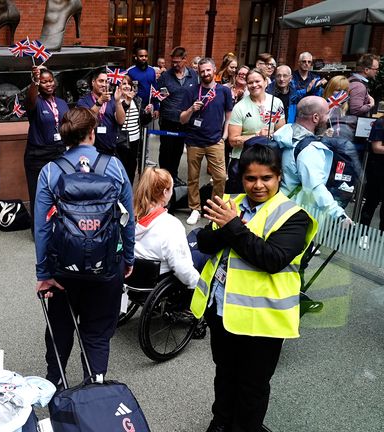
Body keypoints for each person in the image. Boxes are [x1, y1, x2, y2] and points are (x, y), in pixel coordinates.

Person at [190, 144, 317, 432]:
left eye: (266, 178)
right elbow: (205, 243)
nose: (257, 185)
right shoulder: (231, 202)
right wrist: (224, 226)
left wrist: (232, 226)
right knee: (224, 375)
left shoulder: (292, 216)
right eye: (250, 179)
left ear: (278, 178)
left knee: (252, 386)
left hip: (262, 321)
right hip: (223, 311)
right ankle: (220, 423)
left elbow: (271, 259)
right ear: (241, 178)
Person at [34, 107, 135, 390]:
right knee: (98, 332)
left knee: (61, 326)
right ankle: (94, 384)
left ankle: (54, 381)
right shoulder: (113, 166)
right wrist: (128, 257)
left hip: (63, 269)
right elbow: (128, 218)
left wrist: (44, 272)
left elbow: (42, 228)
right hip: (106, 266)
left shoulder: (51, 171)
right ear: (92, 132)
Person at [277, 96, 353, 223]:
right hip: (295, 213)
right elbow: (315, 187)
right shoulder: (310, 149)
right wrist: (339, 215)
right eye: (327, 113)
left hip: (281, 204)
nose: (329, 118)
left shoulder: (285, 134)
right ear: (315, 117)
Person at [179, 58, 233, 225]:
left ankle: (214, 209)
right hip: (194, 141)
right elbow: (182, 119)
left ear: (214, 70)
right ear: (198, 72)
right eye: (202, 71)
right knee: (193, 177)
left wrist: (224, 135)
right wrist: (191, 109)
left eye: (208, 70)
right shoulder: (191, 91)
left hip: (215, 140)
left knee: (220, 177)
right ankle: (195, 208)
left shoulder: (224, 91)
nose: (205, 74)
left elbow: (229, 114)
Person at [133, 167, 199, 289]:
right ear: (164, 192)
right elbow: (182, 269)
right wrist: (198, 285)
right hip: (158, 280)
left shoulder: (130, 217)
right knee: (199, 256)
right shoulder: (171, 226)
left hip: (131, 276)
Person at [24, 66, 70, 230]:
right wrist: (34, 82)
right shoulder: (35, 102)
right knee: (38, 194)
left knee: (59, 192)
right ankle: (39, 230)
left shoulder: (62, 103)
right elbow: (29, 101)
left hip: (59, 153)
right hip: (38, 155)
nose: (48, 84)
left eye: (50, 81)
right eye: (44, 82)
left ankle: (58, 227)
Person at [226, 68, 285, 193]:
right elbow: (232, 140)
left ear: (265, 82)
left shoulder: (277, 102)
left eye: (257, 81)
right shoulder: (240, 107)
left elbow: (281, 132)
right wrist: (257, 136)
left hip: (269, 159)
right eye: (250, 82)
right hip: (243, 161)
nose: (254, 85)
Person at [156, 46, 199, 185]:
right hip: (168, 119)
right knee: (166, 151)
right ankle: (163, 178)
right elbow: (158, 96)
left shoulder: (193, 76)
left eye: (178, 62)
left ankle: (173, 176)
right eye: (172, 62)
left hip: (184, 121)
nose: (174, 65)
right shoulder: (165, 77)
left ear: (185, 59)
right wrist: (156, 108)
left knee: (178, 150)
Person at [76, 68, 126, 155]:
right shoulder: (83, 101)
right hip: (90, 151)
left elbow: (121, 120)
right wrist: (100, 102)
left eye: (106, 82)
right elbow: (86, 120)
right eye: (101, 81)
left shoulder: (112, 100)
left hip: (110, 150)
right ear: (93, 82)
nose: (104, 84)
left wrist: (118, 102)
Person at [116, 76, 145, 183]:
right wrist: (126, 101)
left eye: (129, 84)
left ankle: (129, 193)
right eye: (124, 84)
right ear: (119, 86)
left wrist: (147, 113)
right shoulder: (116, 101)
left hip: (135, 138)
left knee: (132, 167)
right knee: (121, 168)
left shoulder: (137, 100)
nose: (127, 86)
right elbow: (119, 118)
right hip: (121, 140)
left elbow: (140, 119)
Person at [360, 117, 384, 240]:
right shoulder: (381, 122)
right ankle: (363, 234)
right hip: (378, 168)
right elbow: (377, 147)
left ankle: (381, 234)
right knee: (371, 201)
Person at [348, 53, 379, 117]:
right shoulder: (359, 86)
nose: (377, 71)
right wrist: (371, 104)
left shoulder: (351, 79)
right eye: (375, 69)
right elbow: (356, 110)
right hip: (352, 124)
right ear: (366, 70)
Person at [127, 47, 158, 111]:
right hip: (134, 106)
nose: (144, 58)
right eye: (141, 56)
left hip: (149, 105)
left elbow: (155, 89)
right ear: (136, 57)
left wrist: (156, 108)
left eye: (146, 56)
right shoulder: (130, 71)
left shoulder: (152, 71)